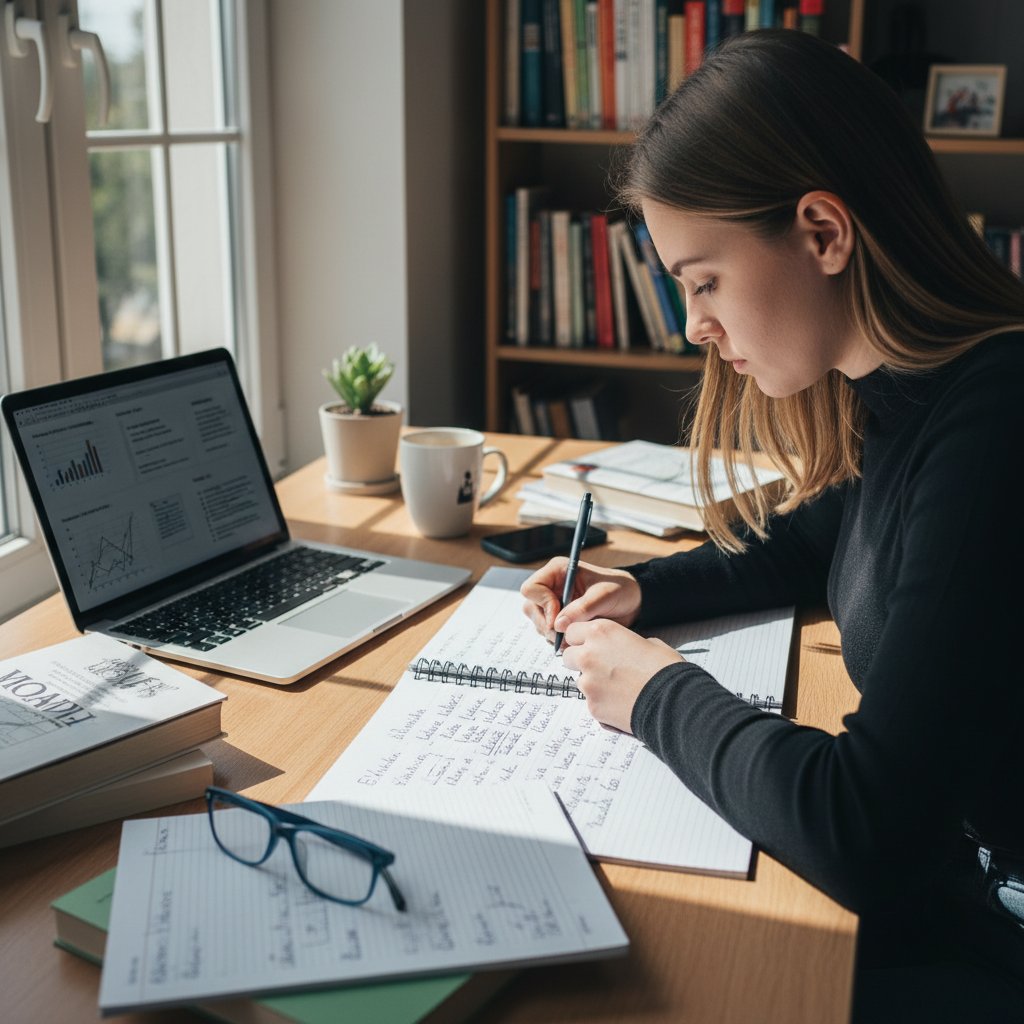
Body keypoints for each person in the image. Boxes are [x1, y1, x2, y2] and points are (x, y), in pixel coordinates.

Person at [520, 29, 1024, 1024]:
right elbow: (820, 538)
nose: (693, 326)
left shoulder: (998, 423)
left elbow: (862, 828)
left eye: (704, 279)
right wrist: (643, 588)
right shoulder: (925, 393)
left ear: (823, 233)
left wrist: (654, 692)